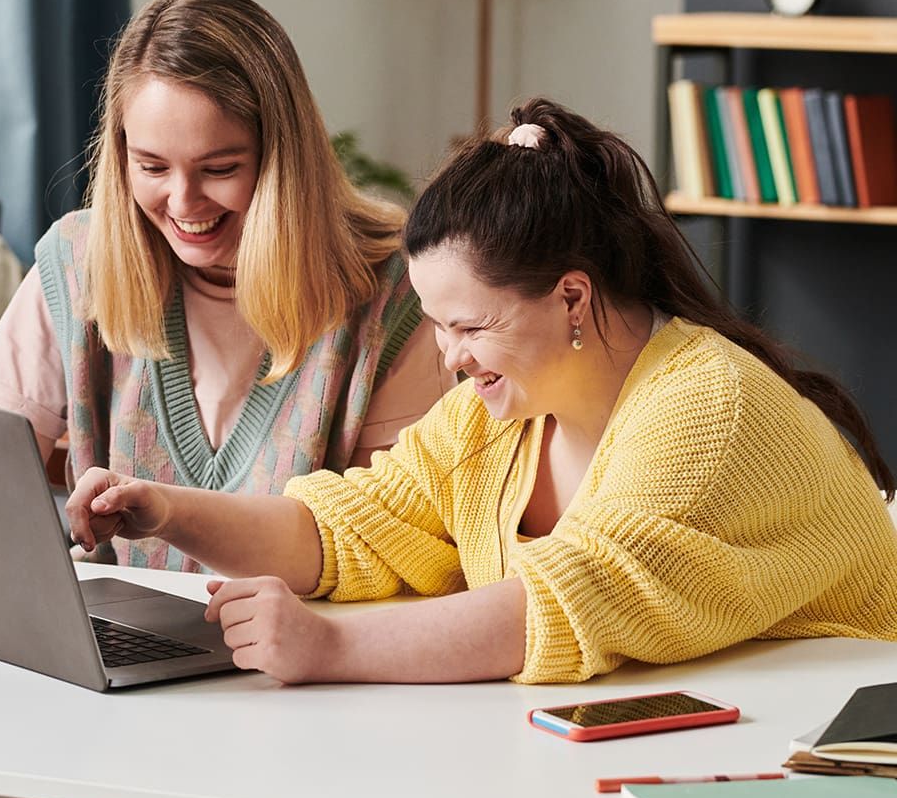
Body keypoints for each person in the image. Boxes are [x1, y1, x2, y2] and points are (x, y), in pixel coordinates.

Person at [60, 95, 897, 688]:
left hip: (822, 754)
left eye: (469, 326)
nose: (450, 357)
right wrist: (166, 511)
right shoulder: (494, 416)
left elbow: (558, 606)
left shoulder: (705, 407)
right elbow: (349, 532)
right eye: (436, 324)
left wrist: (327, 649)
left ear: (572, 297)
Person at [0, 0, 453, 583]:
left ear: (282, 158)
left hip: (302, 648)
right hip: (115, 643)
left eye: (220, 168)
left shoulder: (391, 293)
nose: (183, 202)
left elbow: (386, 543)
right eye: (151, 166)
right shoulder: (77, 262)